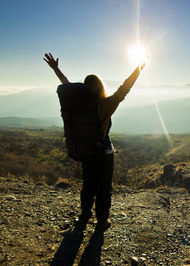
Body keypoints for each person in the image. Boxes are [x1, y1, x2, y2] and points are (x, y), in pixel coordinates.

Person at [44, 52, 148, 230]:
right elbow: (124, 88)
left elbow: (67, 85)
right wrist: (139, 67)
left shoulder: (79, 106)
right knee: (104, 187)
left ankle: (84, 216)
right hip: (104, 153)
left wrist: (56, 69)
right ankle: (102, 220)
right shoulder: (105, 105)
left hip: (86, 151)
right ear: (100, 87)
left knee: (88, 184)